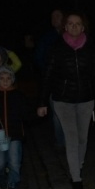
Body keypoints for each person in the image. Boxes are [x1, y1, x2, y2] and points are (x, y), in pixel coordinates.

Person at [37, 12, 95, 189]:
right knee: (72, 138)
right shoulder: (57, 47)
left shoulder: (90, 48)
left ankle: (77, 167)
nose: (74, 27)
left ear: (83, 27)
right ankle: (76, 179)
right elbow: (48, 75)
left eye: (78, 24)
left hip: (85, 99)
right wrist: (42, 102)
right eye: (71, 24)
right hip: (63, 100)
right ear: (65, 27)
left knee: (83, 138)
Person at [35, 9, 65, 149]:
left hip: (70, 82)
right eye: (52, 16)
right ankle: (61, 141)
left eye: (57, 16)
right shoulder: (47, 38)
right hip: (53, 82)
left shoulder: (69, 35)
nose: (55, 19)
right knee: (57, 114)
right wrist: (47, 73)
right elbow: (39, 57)